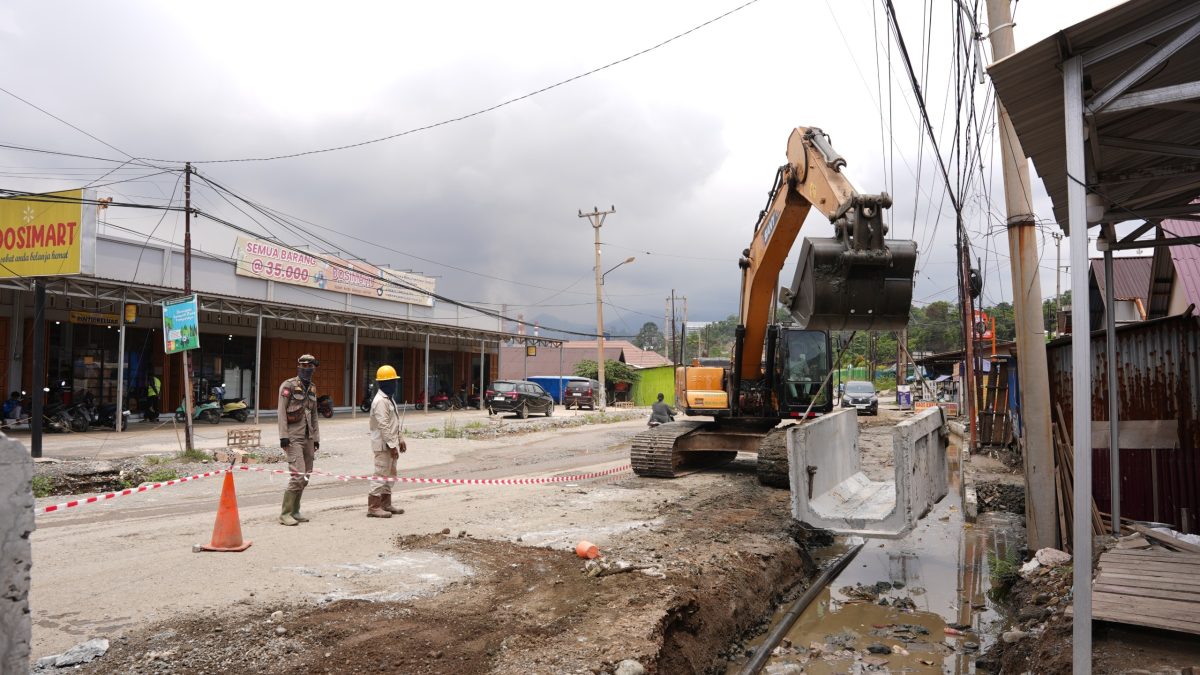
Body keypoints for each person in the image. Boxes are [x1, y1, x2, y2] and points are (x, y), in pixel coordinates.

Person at [278, 354, 321, 526]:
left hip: (308, 436)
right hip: (293, 438)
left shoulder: (312, 388)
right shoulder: (288, 386)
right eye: (304, 366)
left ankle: (295, 511)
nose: (307, 369)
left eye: (310, 367)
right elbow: (281, 411)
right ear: (299, 367)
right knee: (298, 474)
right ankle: (285, 513)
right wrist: (283, 436)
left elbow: (315, 415)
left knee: (306, 475)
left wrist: (316, 438)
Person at [367, 365, 407, 518]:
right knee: (380, 474)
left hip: (391, 444)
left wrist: (400, 439)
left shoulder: (389, 399)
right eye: (393, 381)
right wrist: (392, 446)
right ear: (384, 383)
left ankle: (385, 503)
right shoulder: (380, 401)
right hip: (383, 446)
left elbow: (394, 422)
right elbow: (383, 426)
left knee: (391, 474)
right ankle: (374, 507)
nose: (395, 384)